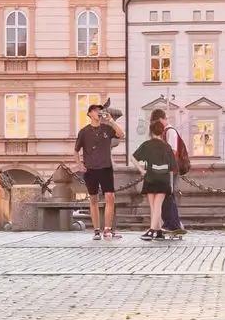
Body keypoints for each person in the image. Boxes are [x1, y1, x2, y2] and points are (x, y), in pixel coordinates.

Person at [74, 102, 123, 240]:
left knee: (110, 197)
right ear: (90, 114)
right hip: (91, 169)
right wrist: (79, 165)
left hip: (106, 167)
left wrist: (111, 121)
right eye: (96, 110)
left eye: (100, 110)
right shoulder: (84, 132)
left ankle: (107, 229)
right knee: (94, 199)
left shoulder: (107, 128)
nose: (99, 112)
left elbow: (121, 134)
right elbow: (76, 151)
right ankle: (96, 230)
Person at [146, 112, 189, 239]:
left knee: (168, 196)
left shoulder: (170, 131)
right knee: (165, 197)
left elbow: (172, 151)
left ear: (160, 119)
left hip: (170, 170)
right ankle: (171, 224)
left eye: (155, 122)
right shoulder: (164, 132)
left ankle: (174, 225)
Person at [134, 119, 177, 240]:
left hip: (150, 177)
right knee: (157, 206)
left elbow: (133, 158)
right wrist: (171, 186)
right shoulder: (167, 146)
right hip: (163, 179)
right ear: (162, 132)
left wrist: (141, 170)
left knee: (153, 206)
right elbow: (172, 168)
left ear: (150, 131)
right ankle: (157, 231)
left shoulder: (146, 145)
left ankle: (152, 230)